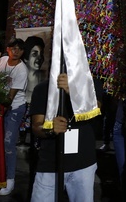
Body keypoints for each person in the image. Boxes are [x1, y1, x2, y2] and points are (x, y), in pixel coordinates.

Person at [29, 73, 99, 202]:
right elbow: (36, 126)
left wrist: (74, 92)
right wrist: (50, 129)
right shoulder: (42, 88)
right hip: (51, 163)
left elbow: (96, 110)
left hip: (83, 164)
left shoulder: (89, 84)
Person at [0, 38, 28, 195]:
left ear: (23, 52)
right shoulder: (2, 60)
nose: (15, 51)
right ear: (8, 49)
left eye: (19, 49)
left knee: (8, 143)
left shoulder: (22, 69)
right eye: (13, 48)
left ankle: (10, 180)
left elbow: (10, 97)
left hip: (13, 108)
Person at [20, 36, 46, 145]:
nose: (39, 58)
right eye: (34, 54)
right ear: (26, 57)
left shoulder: (44, 78)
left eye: (40, 54)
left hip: (36, 108)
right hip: (23, 105)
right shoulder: (21, 74)